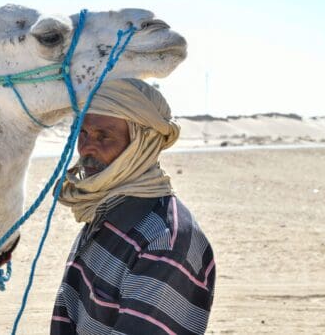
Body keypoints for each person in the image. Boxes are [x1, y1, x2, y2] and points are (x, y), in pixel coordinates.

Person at [51, 79, 215, 335]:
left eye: (104, 136)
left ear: (141, 144)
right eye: (83, 133)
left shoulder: (164, 240)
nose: (86, 147)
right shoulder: (106, 210)